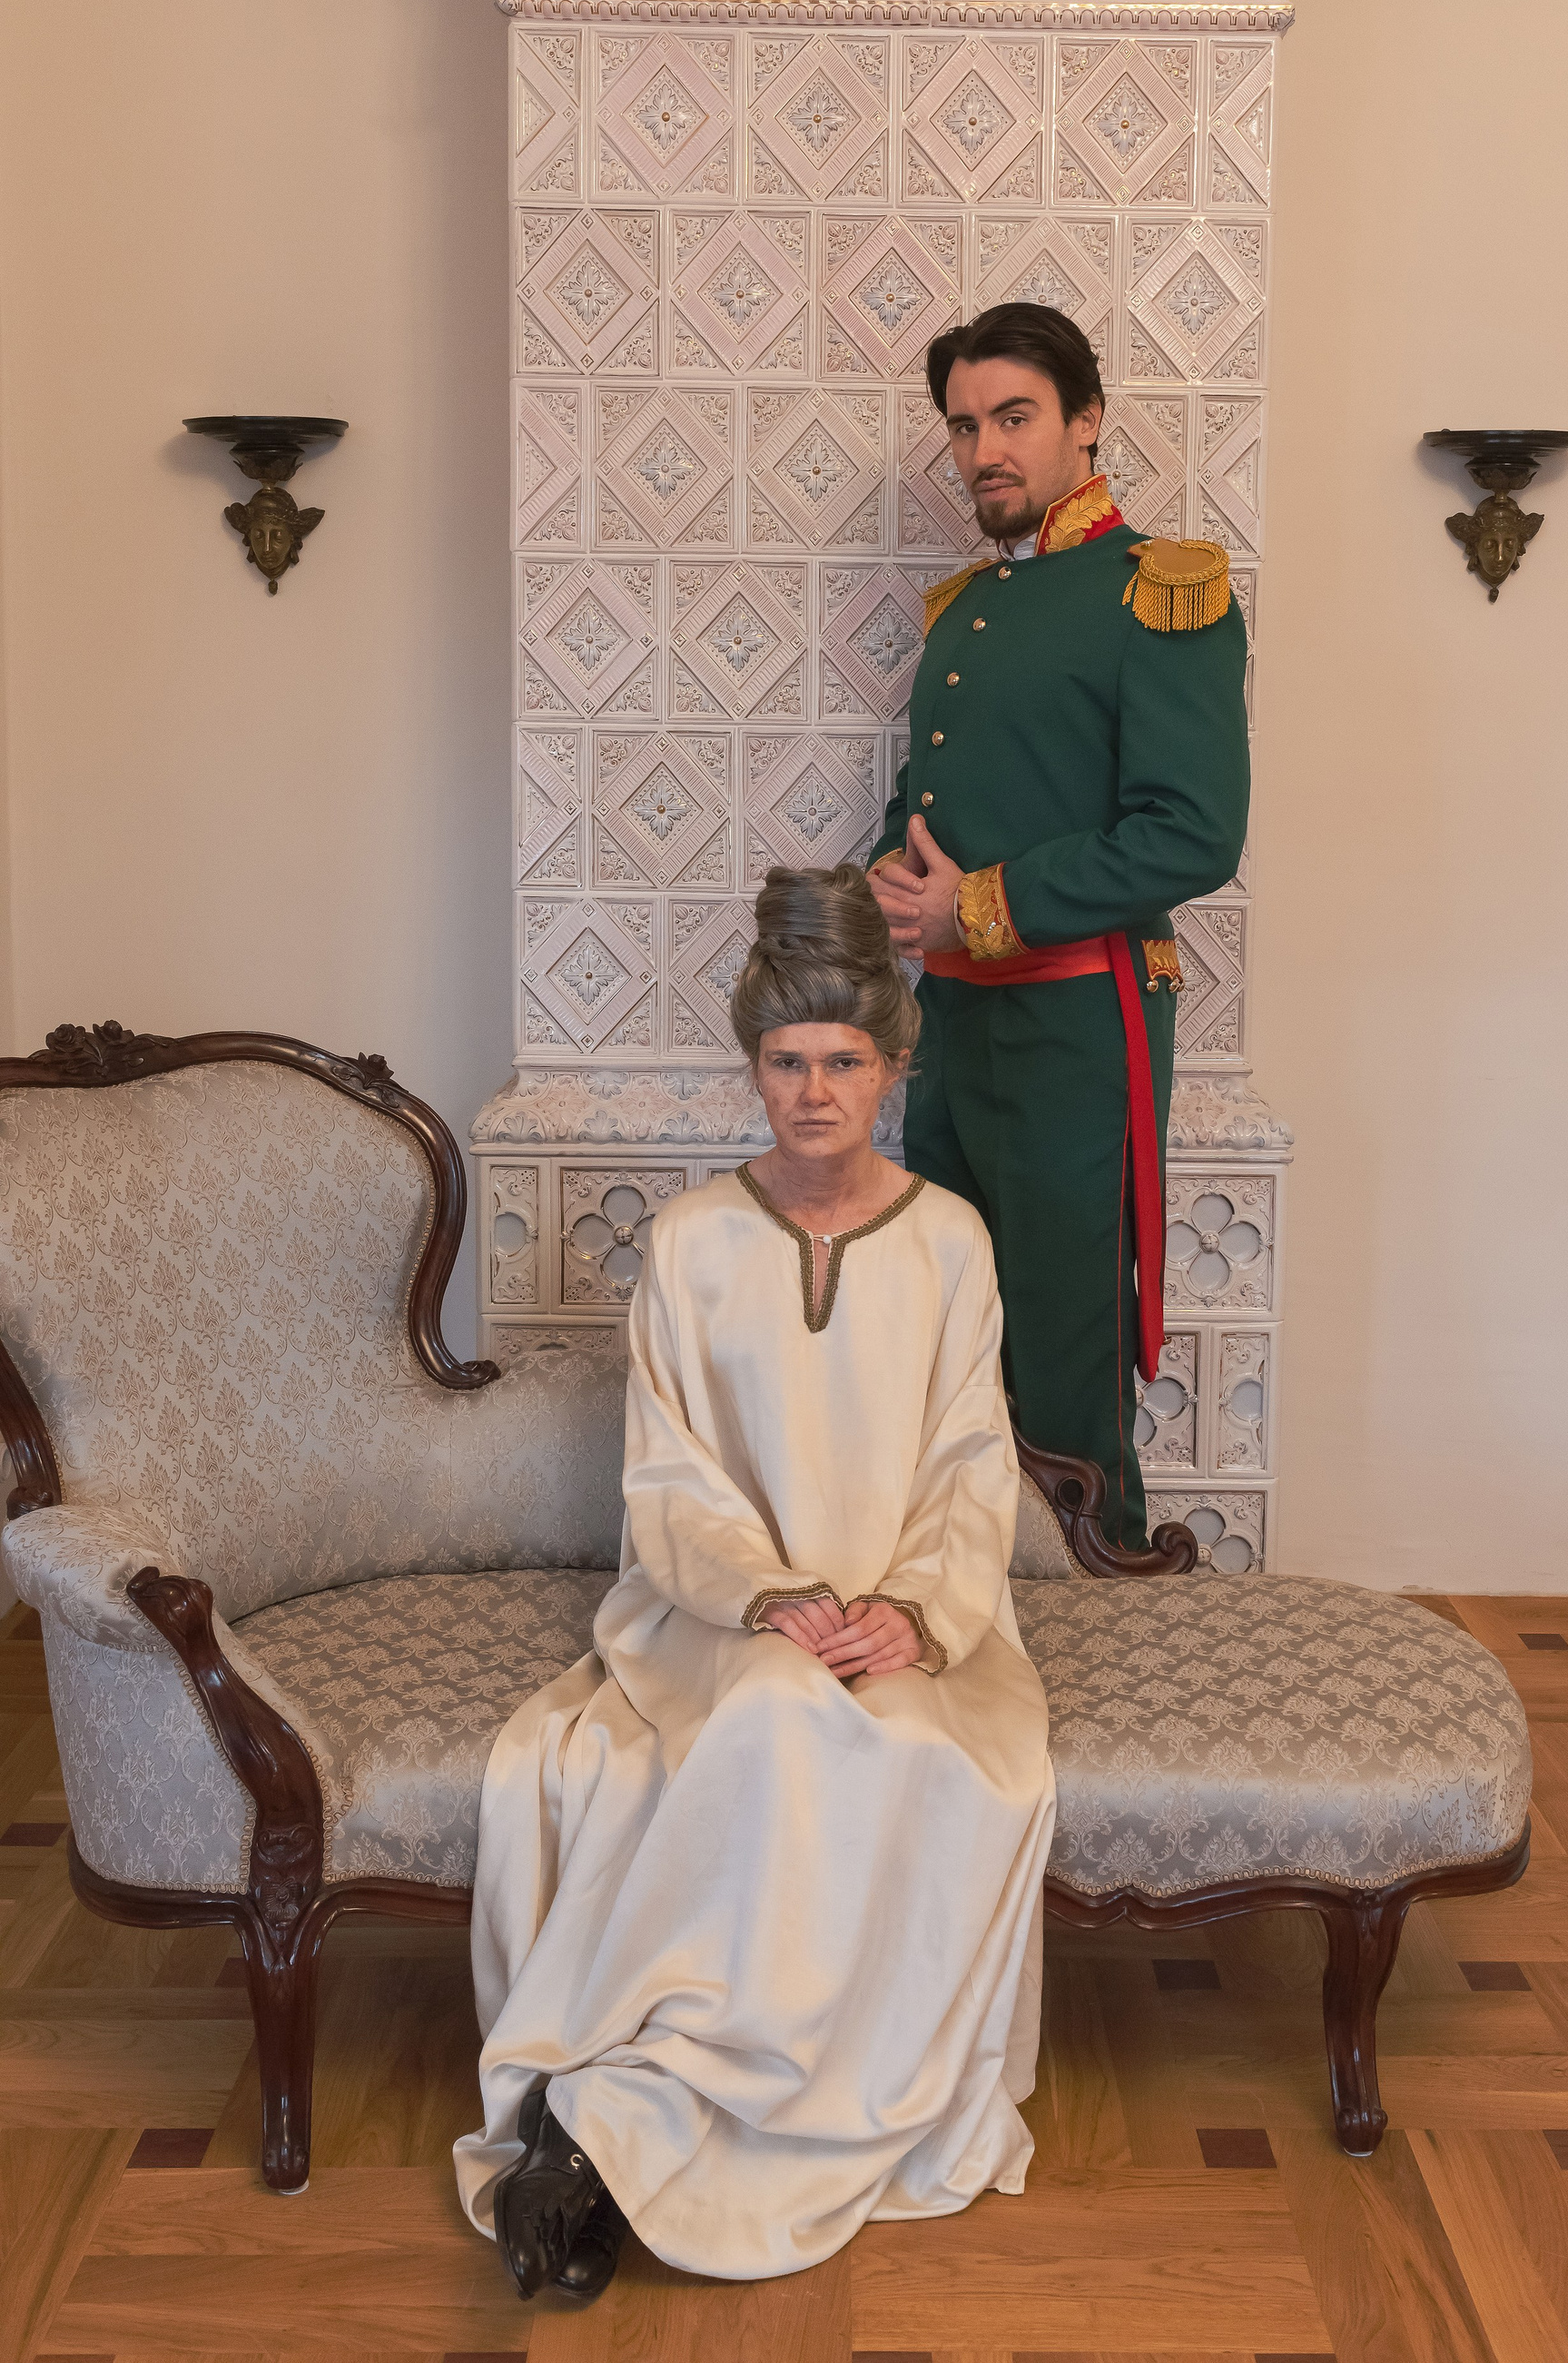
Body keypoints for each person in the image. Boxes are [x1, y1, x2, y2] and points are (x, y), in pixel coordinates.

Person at [454, 863, 1054, 2301]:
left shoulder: (951, 1241)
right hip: (715, 1616)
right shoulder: (691, 1243)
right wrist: (769, 1598)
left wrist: (910, 1614)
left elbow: (972, 1459)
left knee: (930, 1764)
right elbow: (669, 1477)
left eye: (844, 1061)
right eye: (787, 1062)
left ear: (892, 1068)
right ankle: (615, 2119)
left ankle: (611, 2129)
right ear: (754, 1069)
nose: (814, 1092)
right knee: (777, 1714)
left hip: (914, 1620)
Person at [868, 302, 1250, 1552]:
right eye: (964, 425)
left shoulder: (1162, 591)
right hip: (955, 1025)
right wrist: (891, 882)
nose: (984, 449)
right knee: (948, 1326)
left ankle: (1104, 1590)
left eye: (1014, 417)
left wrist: (977, 906)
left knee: (1063, 1335)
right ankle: (967, 1593)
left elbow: (1190, 835)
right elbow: (927, 810)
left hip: (1079, 1022)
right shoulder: (966, 610)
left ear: (1086, 422)